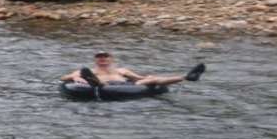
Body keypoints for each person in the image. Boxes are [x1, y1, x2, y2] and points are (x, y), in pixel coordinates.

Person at [60, 52, 205, 87]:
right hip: (103, 85)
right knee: (97, 81)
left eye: (105, 57)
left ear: (110, 59)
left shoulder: (121, 70)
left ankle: (187, 77)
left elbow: (138, 79)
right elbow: (63, 78)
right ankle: (96, 83)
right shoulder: (89, 71)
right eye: (99, 57)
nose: (102, 59)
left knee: (151, 80)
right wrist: (75, 77)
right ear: (95, 60)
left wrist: (148, 77)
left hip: (124, 85)